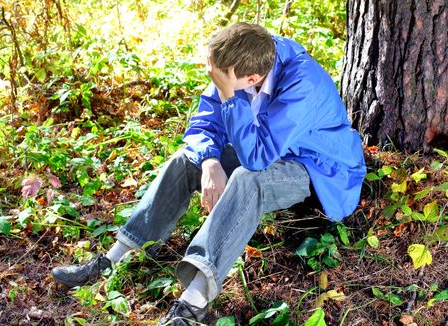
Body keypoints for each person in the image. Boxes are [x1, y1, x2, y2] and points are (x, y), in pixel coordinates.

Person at [51, 22, 366, 325]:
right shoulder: (239, 60)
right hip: (270, 149)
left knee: (247, 179)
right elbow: (204, 123)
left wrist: (230, 98)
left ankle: (194, 302)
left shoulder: (302, 84)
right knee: (184, 160)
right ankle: (117, 257)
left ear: (253, 77)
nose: (216, 85)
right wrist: (210, 162)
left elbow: (257, 158)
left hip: (316, 168)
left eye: (221, 82)